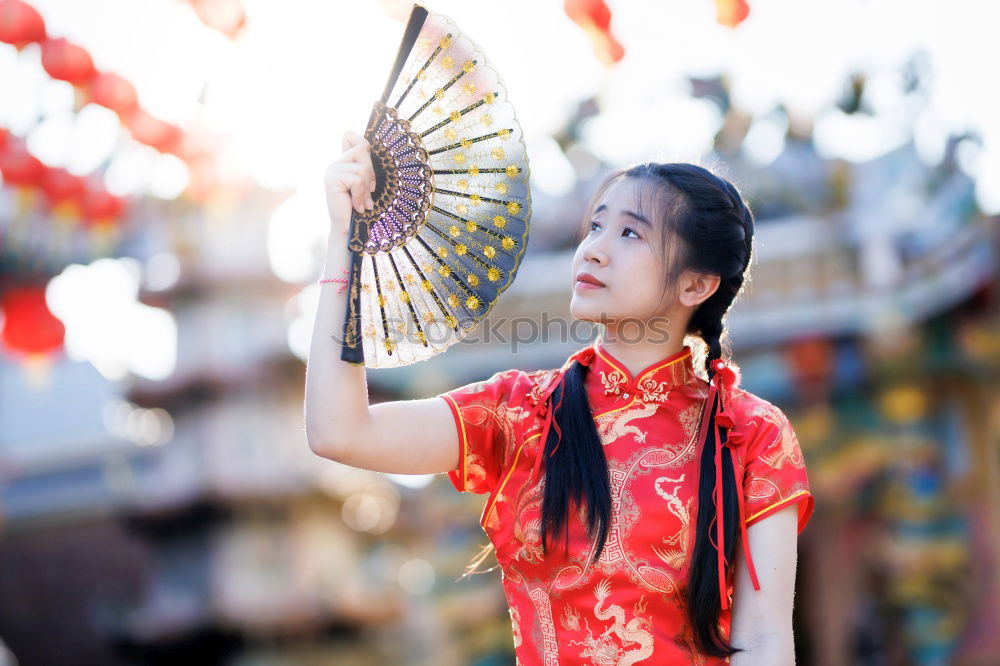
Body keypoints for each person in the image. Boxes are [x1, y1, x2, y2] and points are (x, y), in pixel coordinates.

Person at [305, 130, 814, 665]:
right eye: (595, 225)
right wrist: (347, 241)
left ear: (694, 286)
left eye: (630, 234)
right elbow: (338, 432)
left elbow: (763, 640)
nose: (593, 248)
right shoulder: (519, 412)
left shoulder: (750, 432)